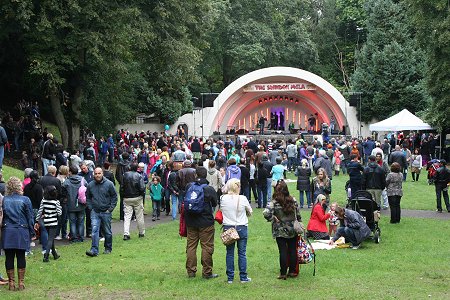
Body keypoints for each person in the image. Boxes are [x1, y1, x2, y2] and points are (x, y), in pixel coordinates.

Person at [263, 180, 302, 280]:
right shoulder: (293, 200)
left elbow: (266, 213)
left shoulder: (274, 202)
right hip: (292, 228)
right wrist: (300, 222)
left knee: (283, 251)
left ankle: (283, 273)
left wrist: (272, 218)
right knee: (293, 249)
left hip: (279, 229)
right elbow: (298, 213)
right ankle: (292, 271)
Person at [185, 166, 218, 279]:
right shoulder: (209, 189)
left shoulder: (189, 186)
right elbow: (214, 203)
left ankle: (191, 271)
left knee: (191, 246)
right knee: (207, 247)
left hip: (190, 221)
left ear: (196, 175)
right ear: (206, 175)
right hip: (205, 222)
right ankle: (207, 272)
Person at [2, 177, 34, 291]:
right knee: (21, 256)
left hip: (7, 230)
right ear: (18, 186)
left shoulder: (4, 200)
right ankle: (21, 283)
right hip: (22, 229)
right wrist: (32, 232)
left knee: (9, 257)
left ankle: (11, 283)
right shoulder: (25, 200)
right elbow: (30, 217)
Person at [220, 178, 252, 283]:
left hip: (228, 227)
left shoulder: (223, 198)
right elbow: (250, 211)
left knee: (230, 253)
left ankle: (230, 278)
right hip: (241, 226)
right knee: (242, 253)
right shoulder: (242, 198)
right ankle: (243, 277)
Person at [85, 167, 117, 257]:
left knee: (107, 231)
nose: (97, 175)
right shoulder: (90, 185)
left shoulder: (109, 184)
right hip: (95, 211)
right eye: (96, 174)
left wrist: (110, 209)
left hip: (106, 211)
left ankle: (108, 248)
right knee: (94, 231)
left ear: (102, 173)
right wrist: (90, 207)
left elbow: (114, 197)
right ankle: (94, 250)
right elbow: (88, 197)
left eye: (99, 173)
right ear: (93, 174)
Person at [36, 186, 62, 262]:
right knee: (50, 239)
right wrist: (59, 208)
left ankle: (55, 254)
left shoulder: (43, 201)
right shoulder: (56, 202)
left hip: (46, 222)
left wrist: (36, 220)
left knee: (51, 239)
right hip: (53, 222)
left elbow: (40, 211)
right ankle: (46, 256)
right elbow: (59, 213)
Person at [62, 165, 87, 243]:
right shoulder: (83, 180)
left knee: (72, 222)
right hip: (81, 204)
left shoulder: (66, 182)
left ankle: (74, 237)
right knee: (81, 221)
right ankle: (81, 236)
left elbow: (63, 192)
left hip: (71, 204)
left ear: (70, 172)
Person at [122, 163, 146, 239]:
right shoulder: (139, 176)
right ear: (137, 168)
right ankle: (141, 232)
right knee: (139, 216)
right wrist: (142, 195)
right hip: (137, 197)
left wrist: (123, 196)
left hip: (127, 198)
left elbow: (122, 187)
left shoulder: (125, 175)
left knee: (127, 216)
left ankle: (126, 233)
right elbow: (142, 187)